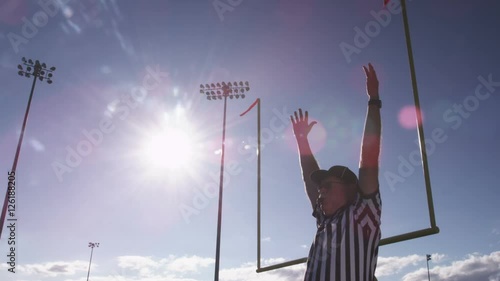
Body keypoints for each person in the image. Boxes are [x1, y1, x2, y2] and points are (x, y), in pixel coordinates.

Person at [290, 63, 382, 281]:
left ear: (352, 190)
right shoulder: (323, 218)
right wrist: (302, 142)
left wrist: (374, 100)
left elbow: (368, 160)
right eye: (321, 187)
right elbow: (309, 175)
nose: (320, 191)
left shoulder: (361, 214)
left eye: (327, 186)